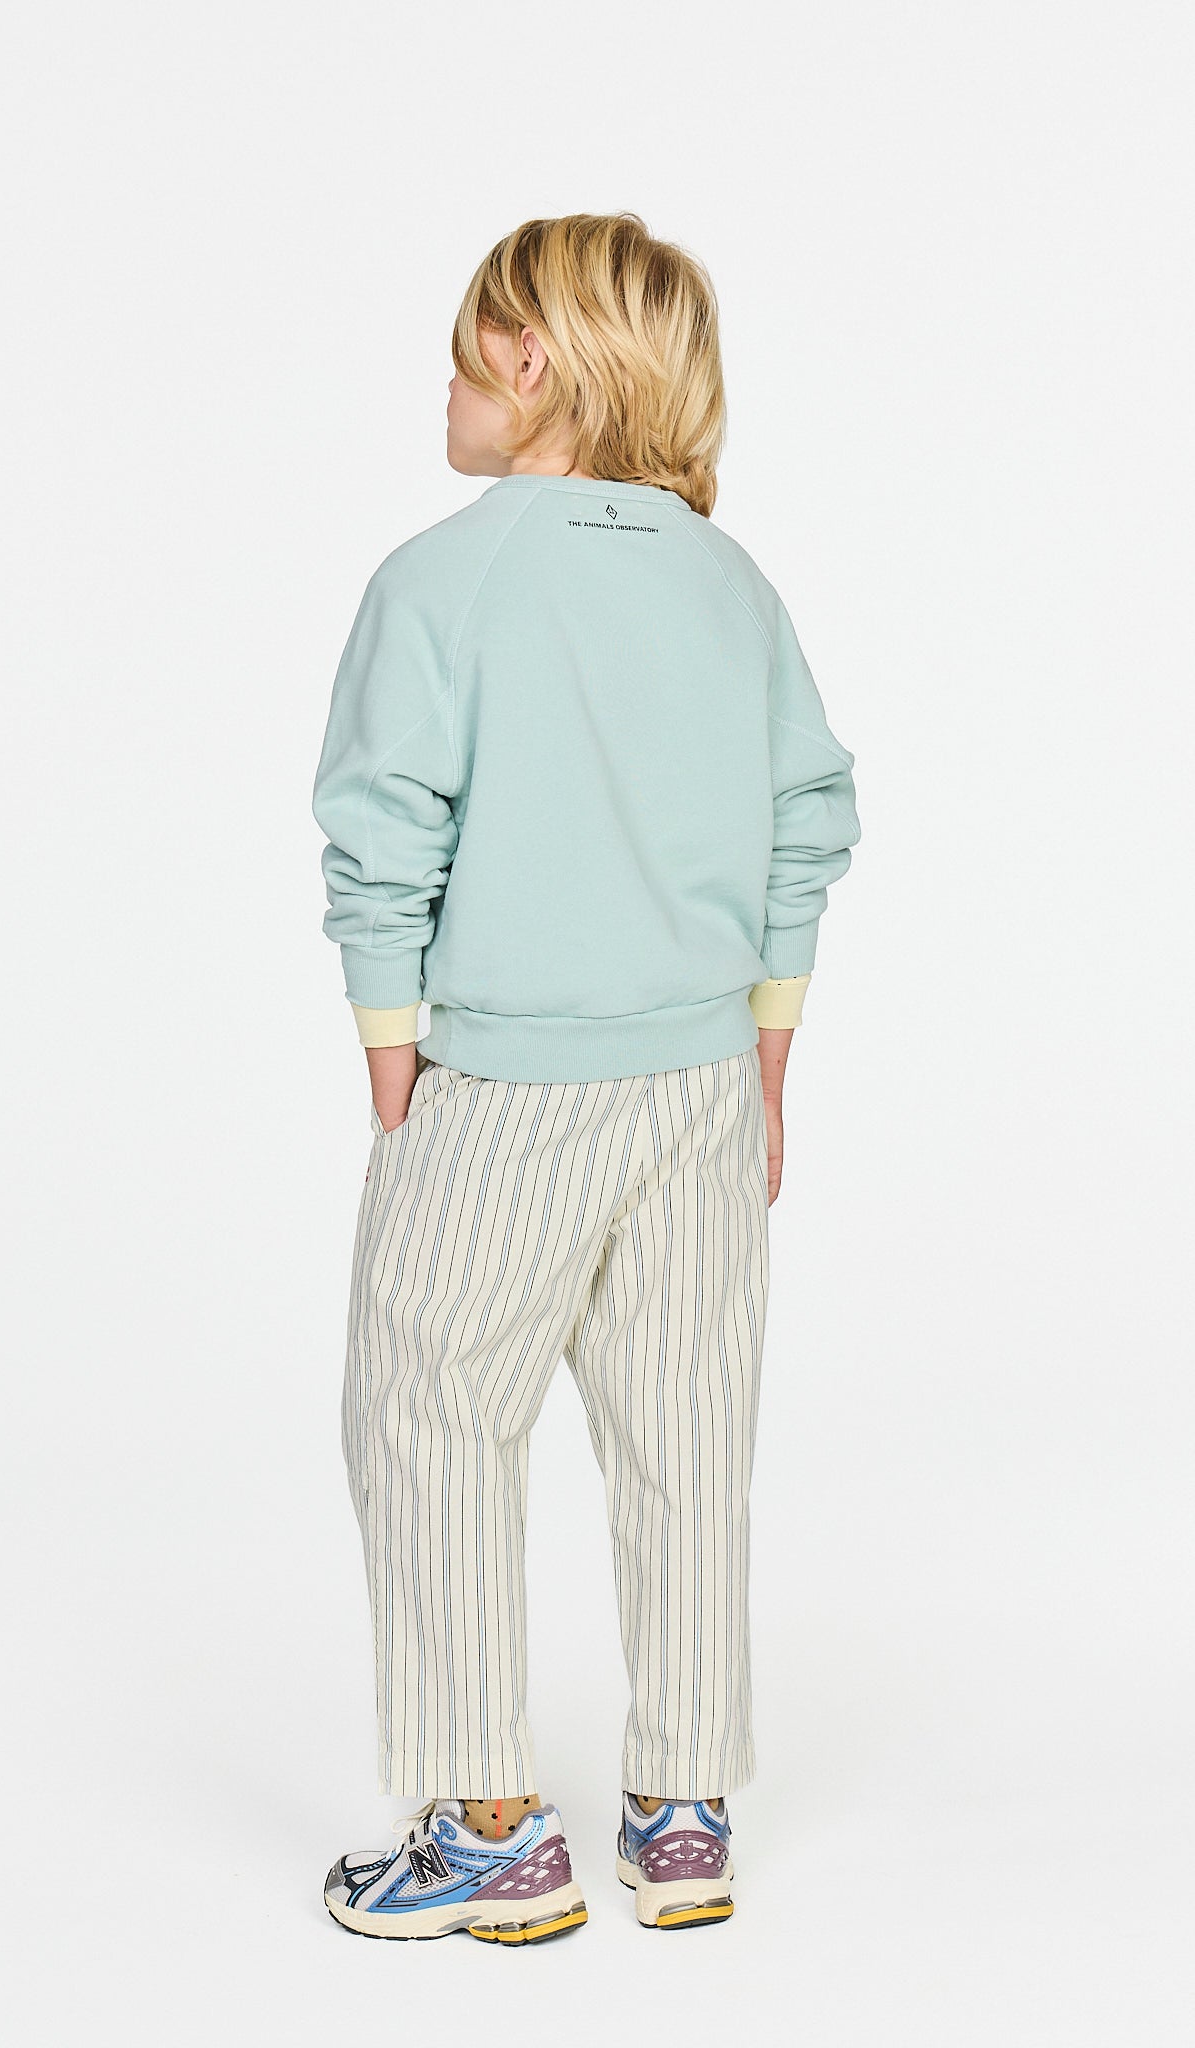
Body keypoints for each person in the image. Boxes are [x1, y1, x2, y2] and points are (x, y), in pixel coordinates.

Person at [309, 212, 862, 1942]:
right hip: (700, 1077)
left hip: (505, 1083)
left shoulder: (444, 576)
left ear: (528, 360)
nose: (444, 383)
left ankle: (486, 1823)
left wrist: (389, 1050)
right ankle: (682, 1811)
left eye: (462, 350)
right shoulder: (731, 584)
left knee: (428, 1412)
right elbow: (805, 815)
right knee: (686, 1433)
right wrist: (767, 1056)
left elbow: (381, 825)